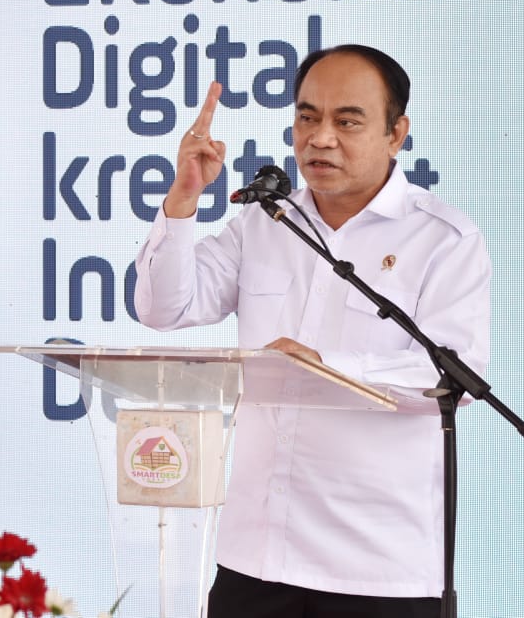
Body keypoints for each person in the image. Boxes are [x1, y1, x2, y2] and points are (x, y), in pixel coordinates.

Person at [134, 45, 491, 618]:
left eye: (347, 121)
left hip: (377, 568)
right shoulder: (264, 221)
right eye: (307, 117)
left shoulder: (443, 239)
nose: (320, 138)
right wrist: (183, 200)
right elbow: (164, 308)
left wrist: (326, 368)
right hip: (255, 557)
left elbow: (454, 373)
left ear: (396, 134)